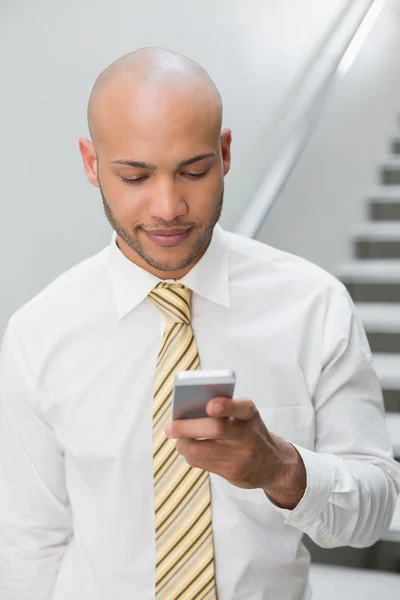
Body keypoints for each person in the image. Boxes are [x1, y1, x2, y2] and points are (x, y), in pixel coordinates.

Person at [0, 46, 399, 600]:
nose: (168, 206)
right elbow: (30, 545)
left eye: (193, 171)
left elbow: (376, 511)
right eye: (136, 176)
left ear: (225, 152)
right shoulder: (38, 334)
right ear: (91, 164)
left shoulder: (313, 305)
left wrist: (282, 469)